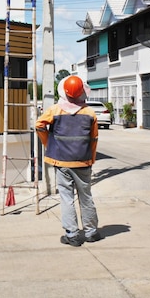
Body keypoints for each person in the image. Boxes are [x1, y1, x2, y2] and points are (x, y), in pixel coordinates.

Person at [36, 75, 102, 247]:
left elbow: (39, 125)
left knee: (66, 198)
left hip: (62, 163)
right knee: (86, 196)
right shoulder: (89, 113)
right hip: (83, 162)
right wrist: (91, 159)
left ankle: (72, 235)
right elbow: (94, 139)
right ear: (82, 92)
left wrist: (49, 143)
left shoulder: (55, 110)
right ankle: (91, 232)